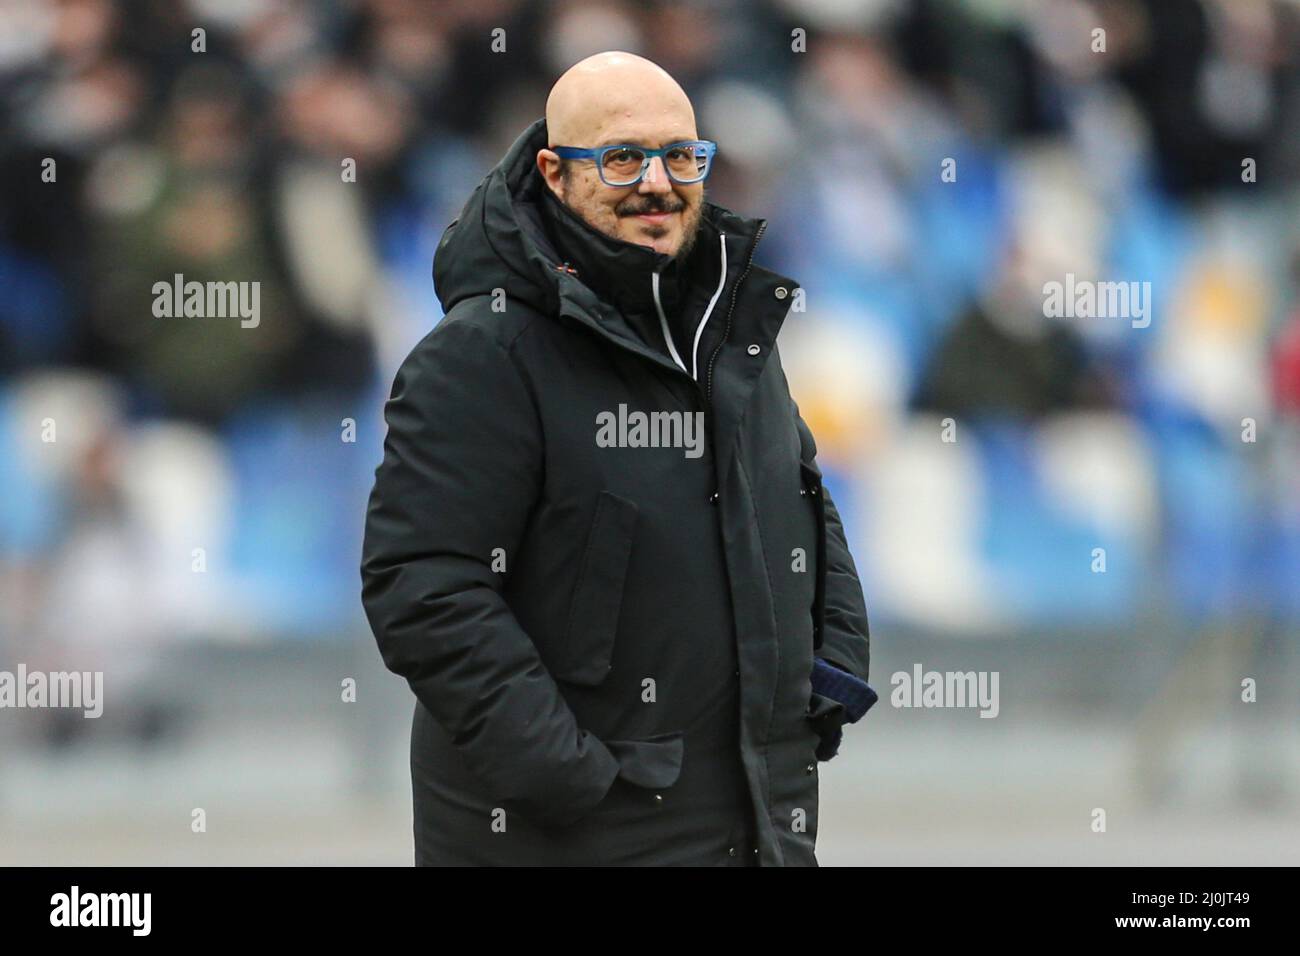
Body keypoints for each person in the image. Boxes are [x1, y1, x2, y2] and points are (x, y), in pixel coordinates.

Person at [361, 51, 872, 866]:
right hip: (568, 834)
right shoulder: (482, 353)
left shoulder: (726, 330)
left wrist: (832, 677)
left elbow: (802, 497)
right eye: (624, 157)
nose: (660, 183)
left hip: (754, 822)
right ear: (556, 174)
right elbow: (422, 585)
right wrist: (568, 776)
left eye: (680, 155)